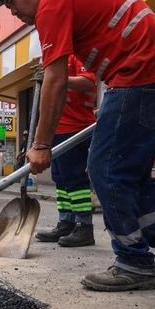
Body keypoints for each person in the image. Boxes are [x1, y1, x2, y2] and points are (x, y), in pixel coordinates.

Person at [0, 0, 155, 291]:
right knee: (130, 172)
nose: (13, 12)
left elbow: (55, 79)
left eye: (12, 2)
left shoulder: (51, 0)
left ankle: (133, 262)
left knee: (106, 168)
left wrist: (41, 144)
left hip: (140, 74)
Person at [35, 55, 97, 247]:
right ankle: (66, 222)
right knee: (60, 178)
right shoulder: (56, 60)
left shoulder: (78, 57)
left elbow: (89, 81)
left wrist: (56, 79)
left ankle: (84, 226)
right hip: (58, 128)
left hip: (75, 128)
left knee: (74, 179)